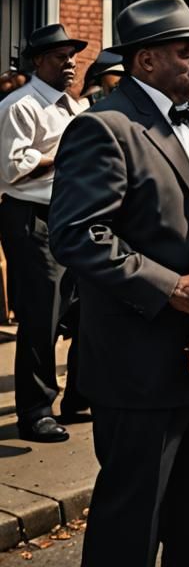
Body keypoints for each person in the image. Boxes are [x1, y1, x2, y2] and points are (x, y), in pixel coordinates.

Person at [49, 0, 189, 565]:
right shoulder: (102, 127)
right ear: (146, 61)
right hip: (138, 361)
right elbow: (78, 235)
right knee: (130, 522)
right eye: (187, 50)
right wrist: (174, 288)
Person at [0, 24, 88, 444]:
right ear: (38, 61)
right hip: (32, 215)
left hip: (69, 214)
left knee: (86, 308)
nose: (70, 63)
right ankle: (35, 411)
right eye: (59, 56)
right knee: (41, 317)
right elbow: (13, 167)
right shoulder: (20, 106)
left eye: (72, 56)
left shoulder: (70, 107)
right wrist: (62, 154)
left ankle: (79, 396)